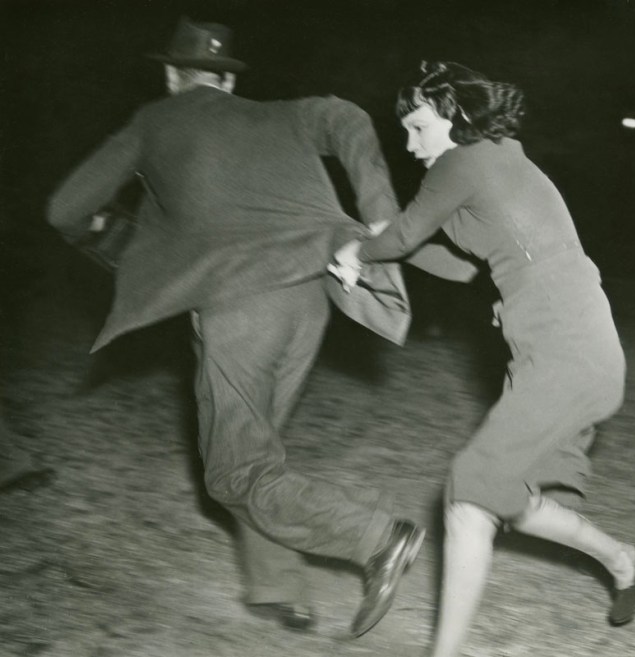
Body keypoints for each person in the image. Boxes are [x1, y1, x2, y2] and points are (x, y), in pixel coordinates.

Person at [47, 17, 423, 637]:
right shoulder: (281, 114)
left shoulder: (153, 121)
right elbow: (350, 116)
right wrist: (380, 217)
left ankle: (378, 537)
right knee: (256, 446)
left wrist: (109, 238)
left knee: (235, 472)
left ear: (173, 74)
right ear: (225, 78)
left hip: (240, 304)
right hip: (315, 291)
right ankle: (278, 589)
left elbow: (65, 207)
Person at [332, 61, 635, 656]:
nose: (409, 145)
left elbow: (406, 236)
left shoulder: (464, 162)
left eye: (417, 128)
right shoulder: (494, 161)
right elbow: (458, 265)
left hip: (568, 352)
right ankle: (626, 560)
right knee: (509, 499)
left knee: (468, 492)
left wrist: (360, 248)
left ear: (454, 115)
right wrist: (379, 246)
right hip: (561, 350)